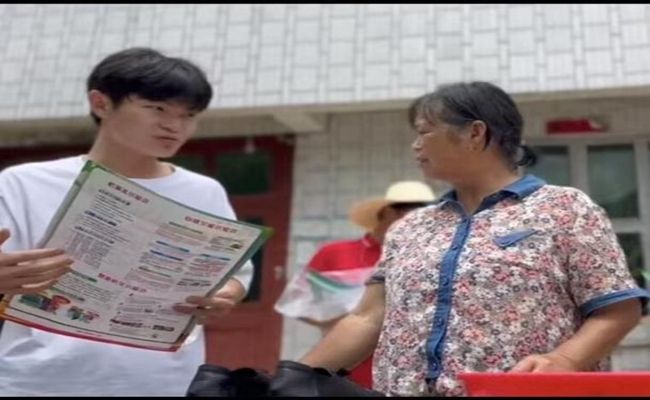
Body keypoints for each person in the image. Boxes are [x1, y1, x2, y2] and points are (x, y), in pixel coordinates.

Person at [298, 81, 650, 396]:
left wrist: (564, 360)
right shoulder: (410, 228)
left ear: (475, 133)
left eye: (424, 132)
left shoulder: (565, 209)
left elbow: (618, 310)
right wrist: (296, 376)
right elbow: (367, 319)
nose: (415, 145)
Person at [0, 47, 254, 396]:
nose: (174, 126)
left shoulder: (204, 191)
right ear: (101, 104)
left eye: (189, 115)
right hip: (38, 381)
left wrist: (225, 296)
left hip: (164, 381)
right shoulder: (24, 183)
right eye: (157, 109)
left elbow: (235, 275)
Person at [274, 180, 436, 388]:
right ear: (385, 213)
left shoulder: (428, 258)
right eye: (406, 210)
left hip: (410, 365)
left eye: (423, 212)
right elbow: (298, 303)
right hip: (348, 363)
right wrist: (336, 322)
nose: (414, 218)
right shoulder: (335, 253)